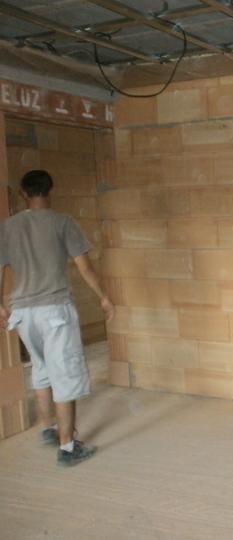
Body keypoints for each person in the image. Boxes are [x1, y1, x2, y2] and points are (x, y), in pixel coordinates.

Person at [0, 170, 115, 467]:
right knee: (64, 374)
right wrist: (103, 296)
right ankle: (67, 448)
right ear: (50, 191)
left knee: (41, 369)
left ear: (24, 193)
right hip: (54, 311)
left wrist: (0, 305)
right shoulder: (63, 222)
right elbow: (85, 267)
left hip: (22, 313)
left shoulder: (8, 227)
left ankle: (49, 428)